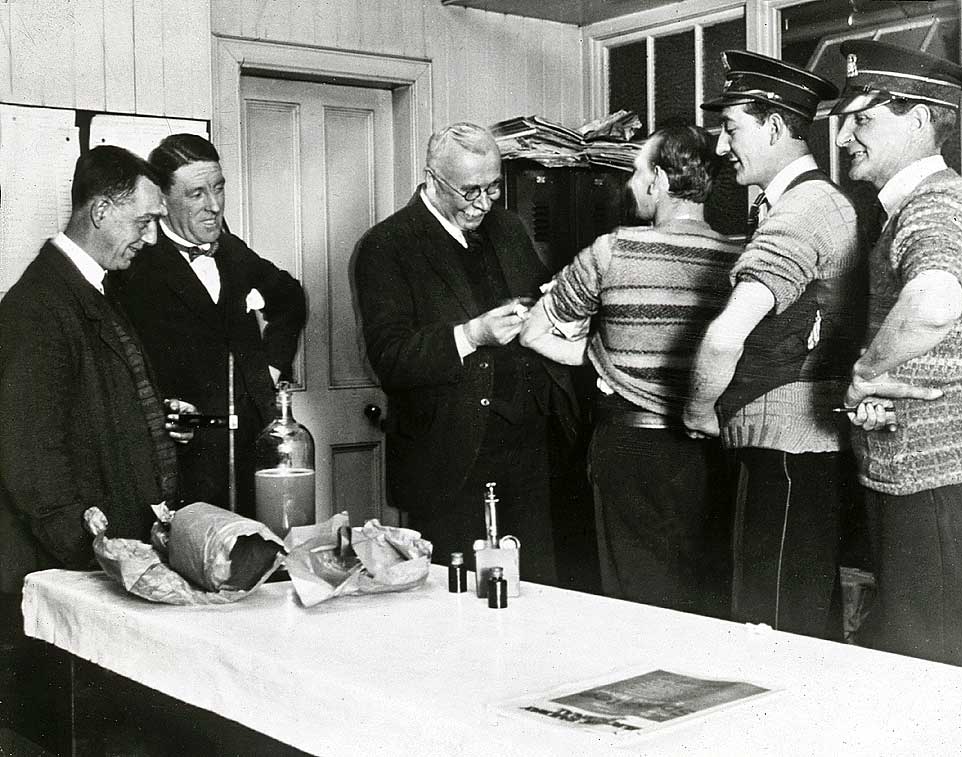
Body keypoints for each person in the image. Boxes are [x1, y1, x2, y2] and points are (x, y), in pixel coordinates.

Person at [829, 40, 962, 672]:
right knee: (951, 664)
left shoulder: (934, 208)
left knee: (930, 672)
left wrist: (866, 373)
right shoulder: (938, 204)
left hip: (935, 484)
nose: (844, 136)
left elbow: (934, 301)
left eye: (862, 119)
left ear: (918, 121)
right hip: (945, 478)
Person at [0, 146, 195, 752]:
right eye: (144, 221)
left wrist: (146, 422)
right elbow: (32, 458)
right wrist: (95, 559)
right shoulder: (39, 306)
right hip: (61, 575)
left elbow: (77, 408)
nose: (152, 238)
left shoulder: (85, 289)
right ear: (102, 210)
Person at [519, 125, 741, 616]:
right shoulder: (738, 257)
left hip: (629, 453)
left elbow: (536, 333)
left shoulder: (611, 250)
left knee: (634, 609)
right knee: (705, 601)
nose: (630, 184)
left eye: (638, 171)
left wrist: (599, 355)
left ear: (659, 180)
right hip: (712, 452)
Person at [683, 51, 866, 640]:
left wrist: (698, 412)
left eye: (730, 128)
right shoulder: (808, 203)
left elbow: (723, 339)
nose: (718, 147)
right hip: (794, 443)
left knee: (774, 627)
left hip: (787, 447)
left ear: (775, 124)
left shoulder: (801, 210)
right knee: (795, 622)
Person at [352, 122, 577, 585]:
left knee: (535, 593)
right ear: (433, 179)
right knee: (452, 604)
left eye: (494, 187)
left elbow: (539, 297)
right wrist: (471, 335)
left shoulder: (508, 227)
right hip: (449, 462)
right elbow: (389, 357)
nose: (484, 202)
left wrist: (555, 306)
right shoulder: (386, 246)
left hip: (528, 453)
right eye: (470, 190)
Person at [108, 134, 307, 518]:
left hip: (253, 453)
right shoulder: (135, 267)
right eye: (196, 194)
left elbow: (291, 298)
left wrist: (269, 369)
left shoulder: (233, 251)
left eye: (218, 189)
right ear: (162, 202)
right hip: (186, 460)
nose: (214, 206)